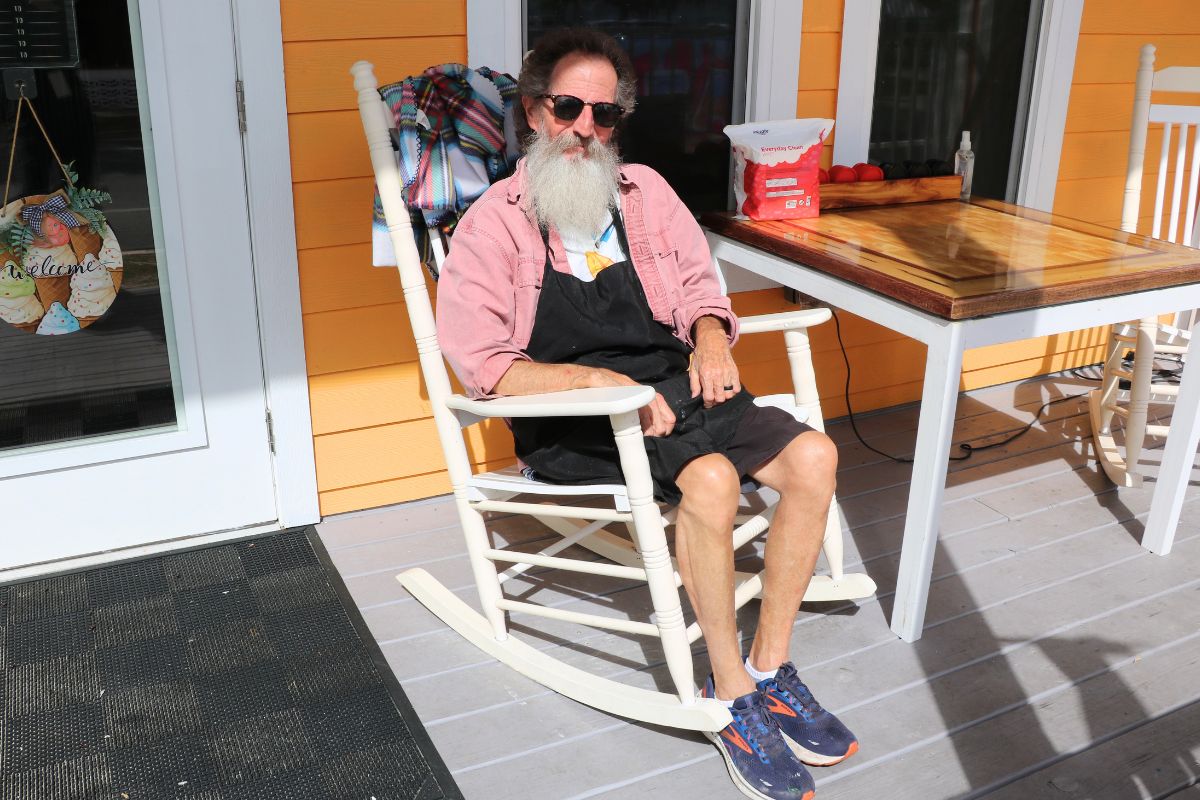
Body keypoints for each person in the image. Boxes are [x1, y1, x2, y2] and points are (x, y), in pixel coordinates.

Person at [435, 28, 856, 800]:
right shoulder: (493, 226)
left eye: (604, 114)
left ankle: (769, 667)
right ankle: (728, 696)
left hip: (676, 386)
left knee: (815, 459)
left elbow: (702, 291)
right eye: (568, 107)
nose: (585, 129)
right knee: (713, 481)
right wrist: (592, 380)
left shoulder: (647, 194)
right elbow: (485, 366)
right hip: (577, 415)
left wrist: (710, 341)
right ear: (535, 112)